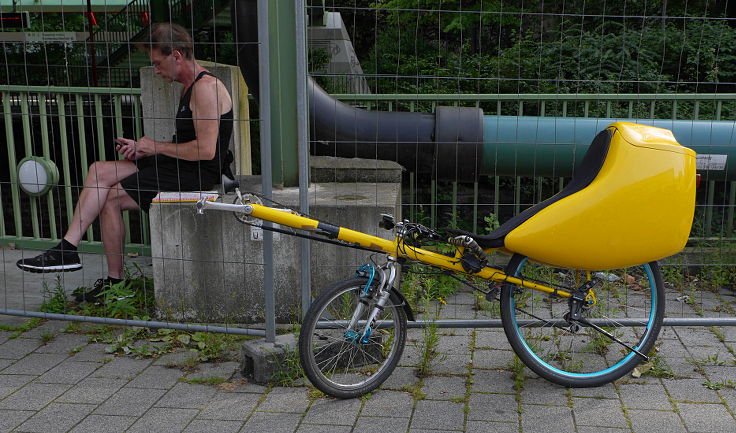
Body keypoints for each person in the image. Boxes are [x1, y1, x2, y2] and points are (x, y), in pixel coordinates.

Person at [17, 23, 234, 301]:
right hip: (178, 166)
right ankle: (67, 249)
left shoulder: (206, 88)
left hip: (197, 174)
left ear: (176, 56)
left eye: (157, 63)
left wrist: (155, 146)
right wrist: (144, 150)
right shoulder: (188, 86)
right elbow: (186, 143)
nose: (155, 70)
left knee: (111, 198)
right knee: (100, 170)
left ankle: (114, 284)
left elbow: (206, 151)